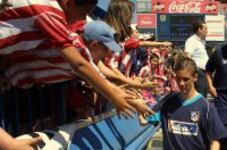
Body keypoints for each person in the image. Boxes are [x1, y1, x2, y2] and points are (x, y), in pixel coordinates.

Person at [0, 0, 143, 116]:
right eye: (83, 13)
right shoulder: (50, 12)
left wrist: (127, 95)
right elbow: (80, 65)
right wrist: (114, 97)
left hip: (10, 77)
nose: (82, 19)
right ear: (69, 3)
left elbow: (98, 75)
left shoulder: (56, 16)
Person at [185, 20, 209, 97]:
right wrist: (193, 71)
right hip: (198, 72)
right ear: (199, 29)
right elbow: (187, 56)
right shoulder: (191, 40)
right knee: (200, 95)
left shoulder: (202, 42)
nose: (207, 31)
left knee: (204, 94)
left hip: (204, 72)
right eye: (205, 29)